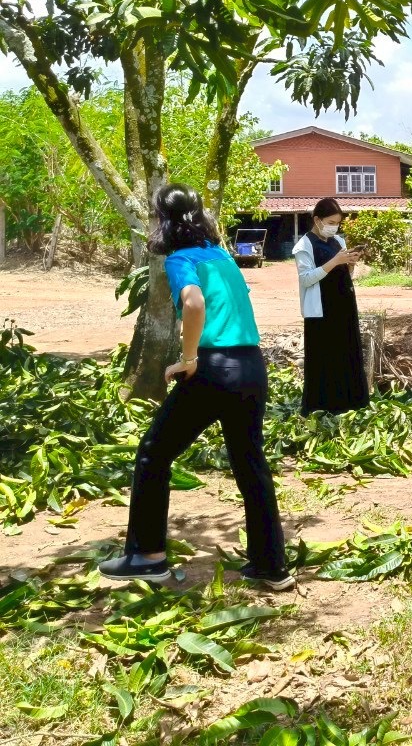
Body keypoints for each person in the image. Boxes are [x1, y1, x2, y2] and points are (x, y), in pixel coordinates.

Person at [99, 185, 292, 590]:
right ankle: (271, 565)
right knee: (249, 464)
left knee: (154, 453)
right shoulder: (223, 257)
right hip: (251, 367)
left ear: (163, 221)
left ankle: (147, 556)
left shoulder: (181, 259)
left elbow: (194, 303)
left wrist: (189, 360)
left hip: (214, 369)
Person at [293, 198, 370, 416]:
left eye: (337, 223)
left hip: (343, 305)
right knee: (324, 359)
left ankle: (351, 403)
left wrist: (350, 264)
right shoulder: (304, 245)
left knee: (347, 354)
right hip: (321, 310)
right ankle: (322, 407)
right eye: (330, 221)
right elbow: (306, 279)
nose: (334, 226)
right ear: (317, 220)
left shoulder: (338, 241)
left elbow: (344, 274)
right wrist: (334, 262)